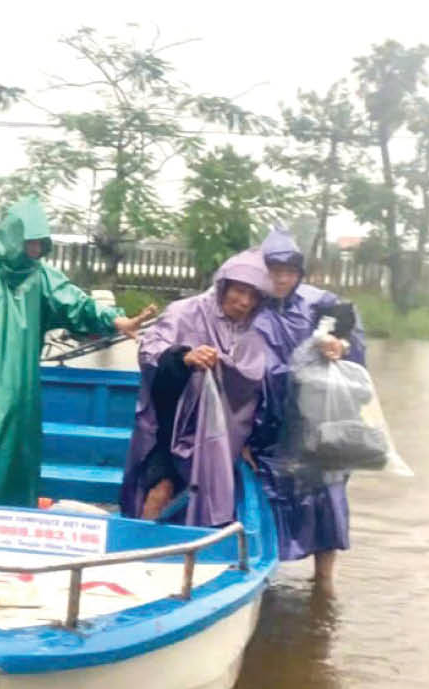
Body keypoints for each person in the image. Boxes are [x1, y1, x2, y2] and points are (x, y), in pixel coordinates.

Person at [0, 195, 153, 506]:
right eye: (31, 242)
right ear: (13, 235)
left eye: (40, 244)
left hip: (12, 390)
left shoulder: (40, 275)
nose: (35, 250)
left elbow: (76, 304)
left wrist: (116, 320)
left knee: (9, 457)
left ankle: (3, 523)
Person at [245, 228, 365, 589]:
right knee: (266, 503)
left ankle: (324, 585)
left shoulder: (319, 303)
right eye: (274, 270)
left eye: (289, 271)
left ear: (300, 273)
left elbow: (350, 335)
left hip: (316, 423)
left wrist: (340, 346)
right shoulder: (246, 306)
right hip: (265, 428)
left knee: (325, 499)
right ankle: (261, 581)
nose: (282, 279)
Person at [119, 251, 268, 527]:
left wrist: (249, 442)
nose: (245, 302)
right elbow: (150, 351)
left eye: (253, 296)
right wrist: (184, 358)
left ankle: (198, 553)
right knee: (159, 491)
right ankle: (137, 551)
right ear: (224, 286)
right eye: (239, 291)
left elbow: (254, 391)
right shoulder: (184, 312)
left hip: (220, 437)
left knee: (213, 499)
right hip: (168, 425)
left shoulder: (255, 333)